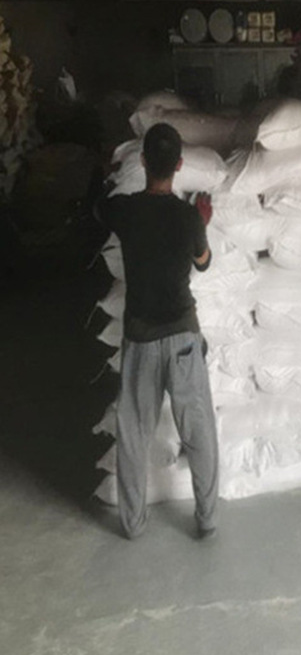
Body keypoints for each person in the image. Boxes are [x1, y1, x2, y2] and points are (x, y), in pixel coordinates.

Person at [98, 122, 218, 540]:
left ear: (143, 161)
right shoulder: (188, 217)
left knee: (134, 433)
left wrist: (106, 172)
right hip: (183, 335)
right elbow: (204, 263)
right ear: (180, 165)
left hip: (141, 339)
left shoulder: (125, 210)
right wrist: (202, 222)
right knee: (198, 430)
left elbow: (98, 207)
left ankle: (132, 523)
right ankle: (207, 518)